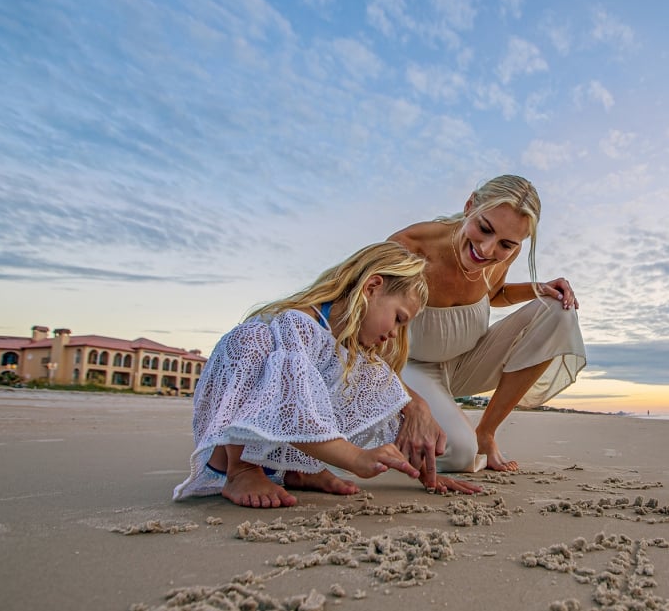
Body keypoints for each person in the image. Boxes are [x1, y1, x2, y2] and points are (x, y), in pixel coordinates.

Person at [173, 241, 480, 509]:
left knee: (360, 378)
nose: (395, 333)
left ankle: (299, 469)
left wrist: (425, 474)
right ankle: (241, 472)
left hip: (277, 459)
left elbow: (384, 406)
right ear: (372, 288)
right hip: (227, 458)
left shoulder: (346, 348)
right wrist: (356, 458)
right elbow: (292, 408)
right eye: (398, 319)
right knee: (252, 340)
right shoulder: (298, 323)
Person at [389, 175, 586, 485]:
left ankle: (486, 432)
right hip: (412, 369)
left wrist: (540, 288)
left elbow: (494, 294)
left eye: (506, 244)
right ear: (469, 205)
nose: (486, 248)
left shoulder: (505, 252)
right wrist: (411, 403)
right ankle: (385, 436)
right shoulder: (409, 247)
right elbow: (362, 334)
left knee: (558, 312)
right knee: (458, 454)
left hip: (467, 360)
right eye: (484, 228)